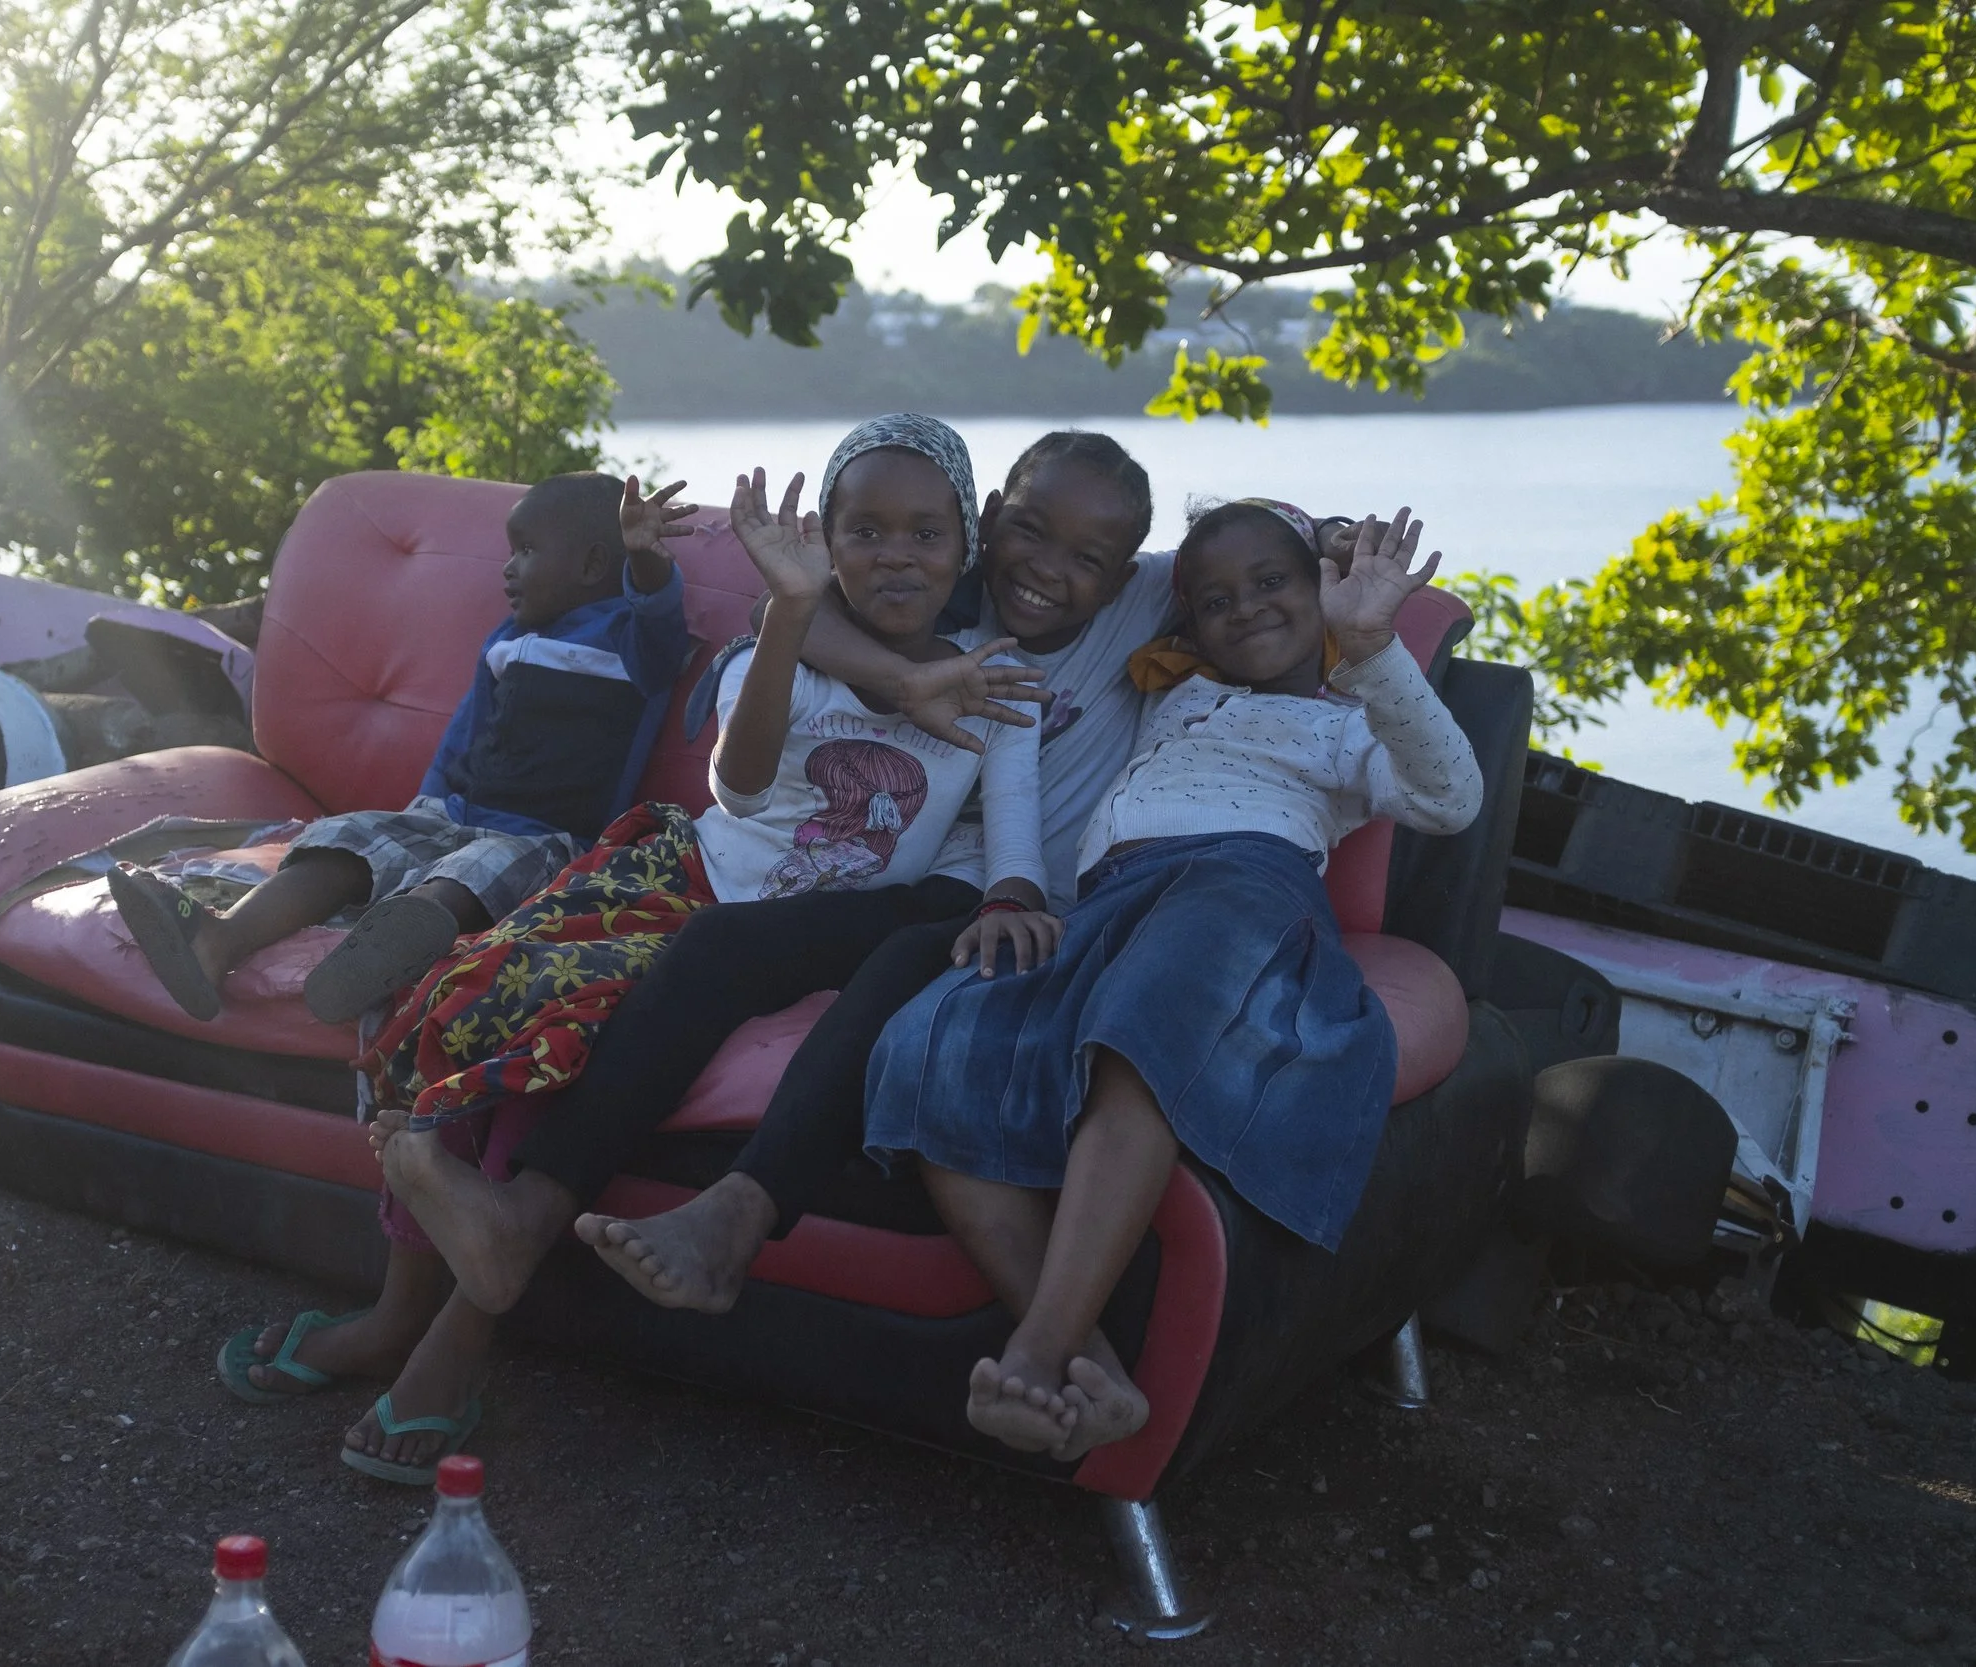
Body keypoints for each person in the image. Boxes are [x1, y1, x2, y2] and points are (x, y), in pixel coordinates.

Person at [285, 414, 1046, 1481]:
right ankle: (398, 1306)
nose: (897, 555)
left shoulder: (994, 683)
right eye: (864, 530)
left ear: (965, 548)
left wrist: (1013, 890)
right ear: (824, 540)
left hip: (798, 933)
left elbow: (1013, 830)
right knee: (486, 992)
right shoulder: (769, 648)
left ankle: (457, 1337)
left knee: (563, 1046)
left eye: (926, 533)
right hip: (681, 877)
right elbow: (739, 783)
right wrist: (786, 608)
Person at [863, 499, 1483, 1462]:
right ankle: (1095, 1371)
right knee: (937, 1039)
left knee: (1145, 1028)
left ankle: (1039, 1347)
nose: (1247, 610)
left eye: (1273, 585)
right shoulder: (1170, 691)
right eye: (1217, 599)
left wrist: (1367, 635)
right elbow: (1119, 566)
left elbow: (1451, 796)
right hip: (1107, 904)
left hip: (1243, 889)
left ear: (1317, 594)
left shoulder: (1346, 726)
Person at [571, 429, 1164, 1310]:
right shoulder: (936, 577)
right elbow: (786, 636)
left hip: (1005, 899)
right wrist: (861, 650)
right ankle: (538, 1206)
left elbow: (1259, 555)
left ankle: (739, 1212)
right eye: (1027, 532)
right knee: (723, 941)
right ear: (989, 522)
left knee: (902, 960)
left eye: (1086, 556)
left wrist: (1332, 545)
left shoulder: (1138, 597)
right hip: (900, 878)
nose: (1045, 567)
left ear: (1122, 574)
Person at [109, 471, 695, 1024]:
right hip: (452, 814)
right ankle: (219, 941)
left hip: (544, 839)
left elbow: (660, 619)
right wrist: (424, 809)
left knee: (476, 872)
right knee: (346, 838)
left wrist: (643, 555)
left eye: (526, 551)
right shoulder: (509, 641)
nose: (508, 569)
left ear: (593, 563)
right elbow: (466, 733)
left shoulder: (628, 643)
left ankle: (378, 958)